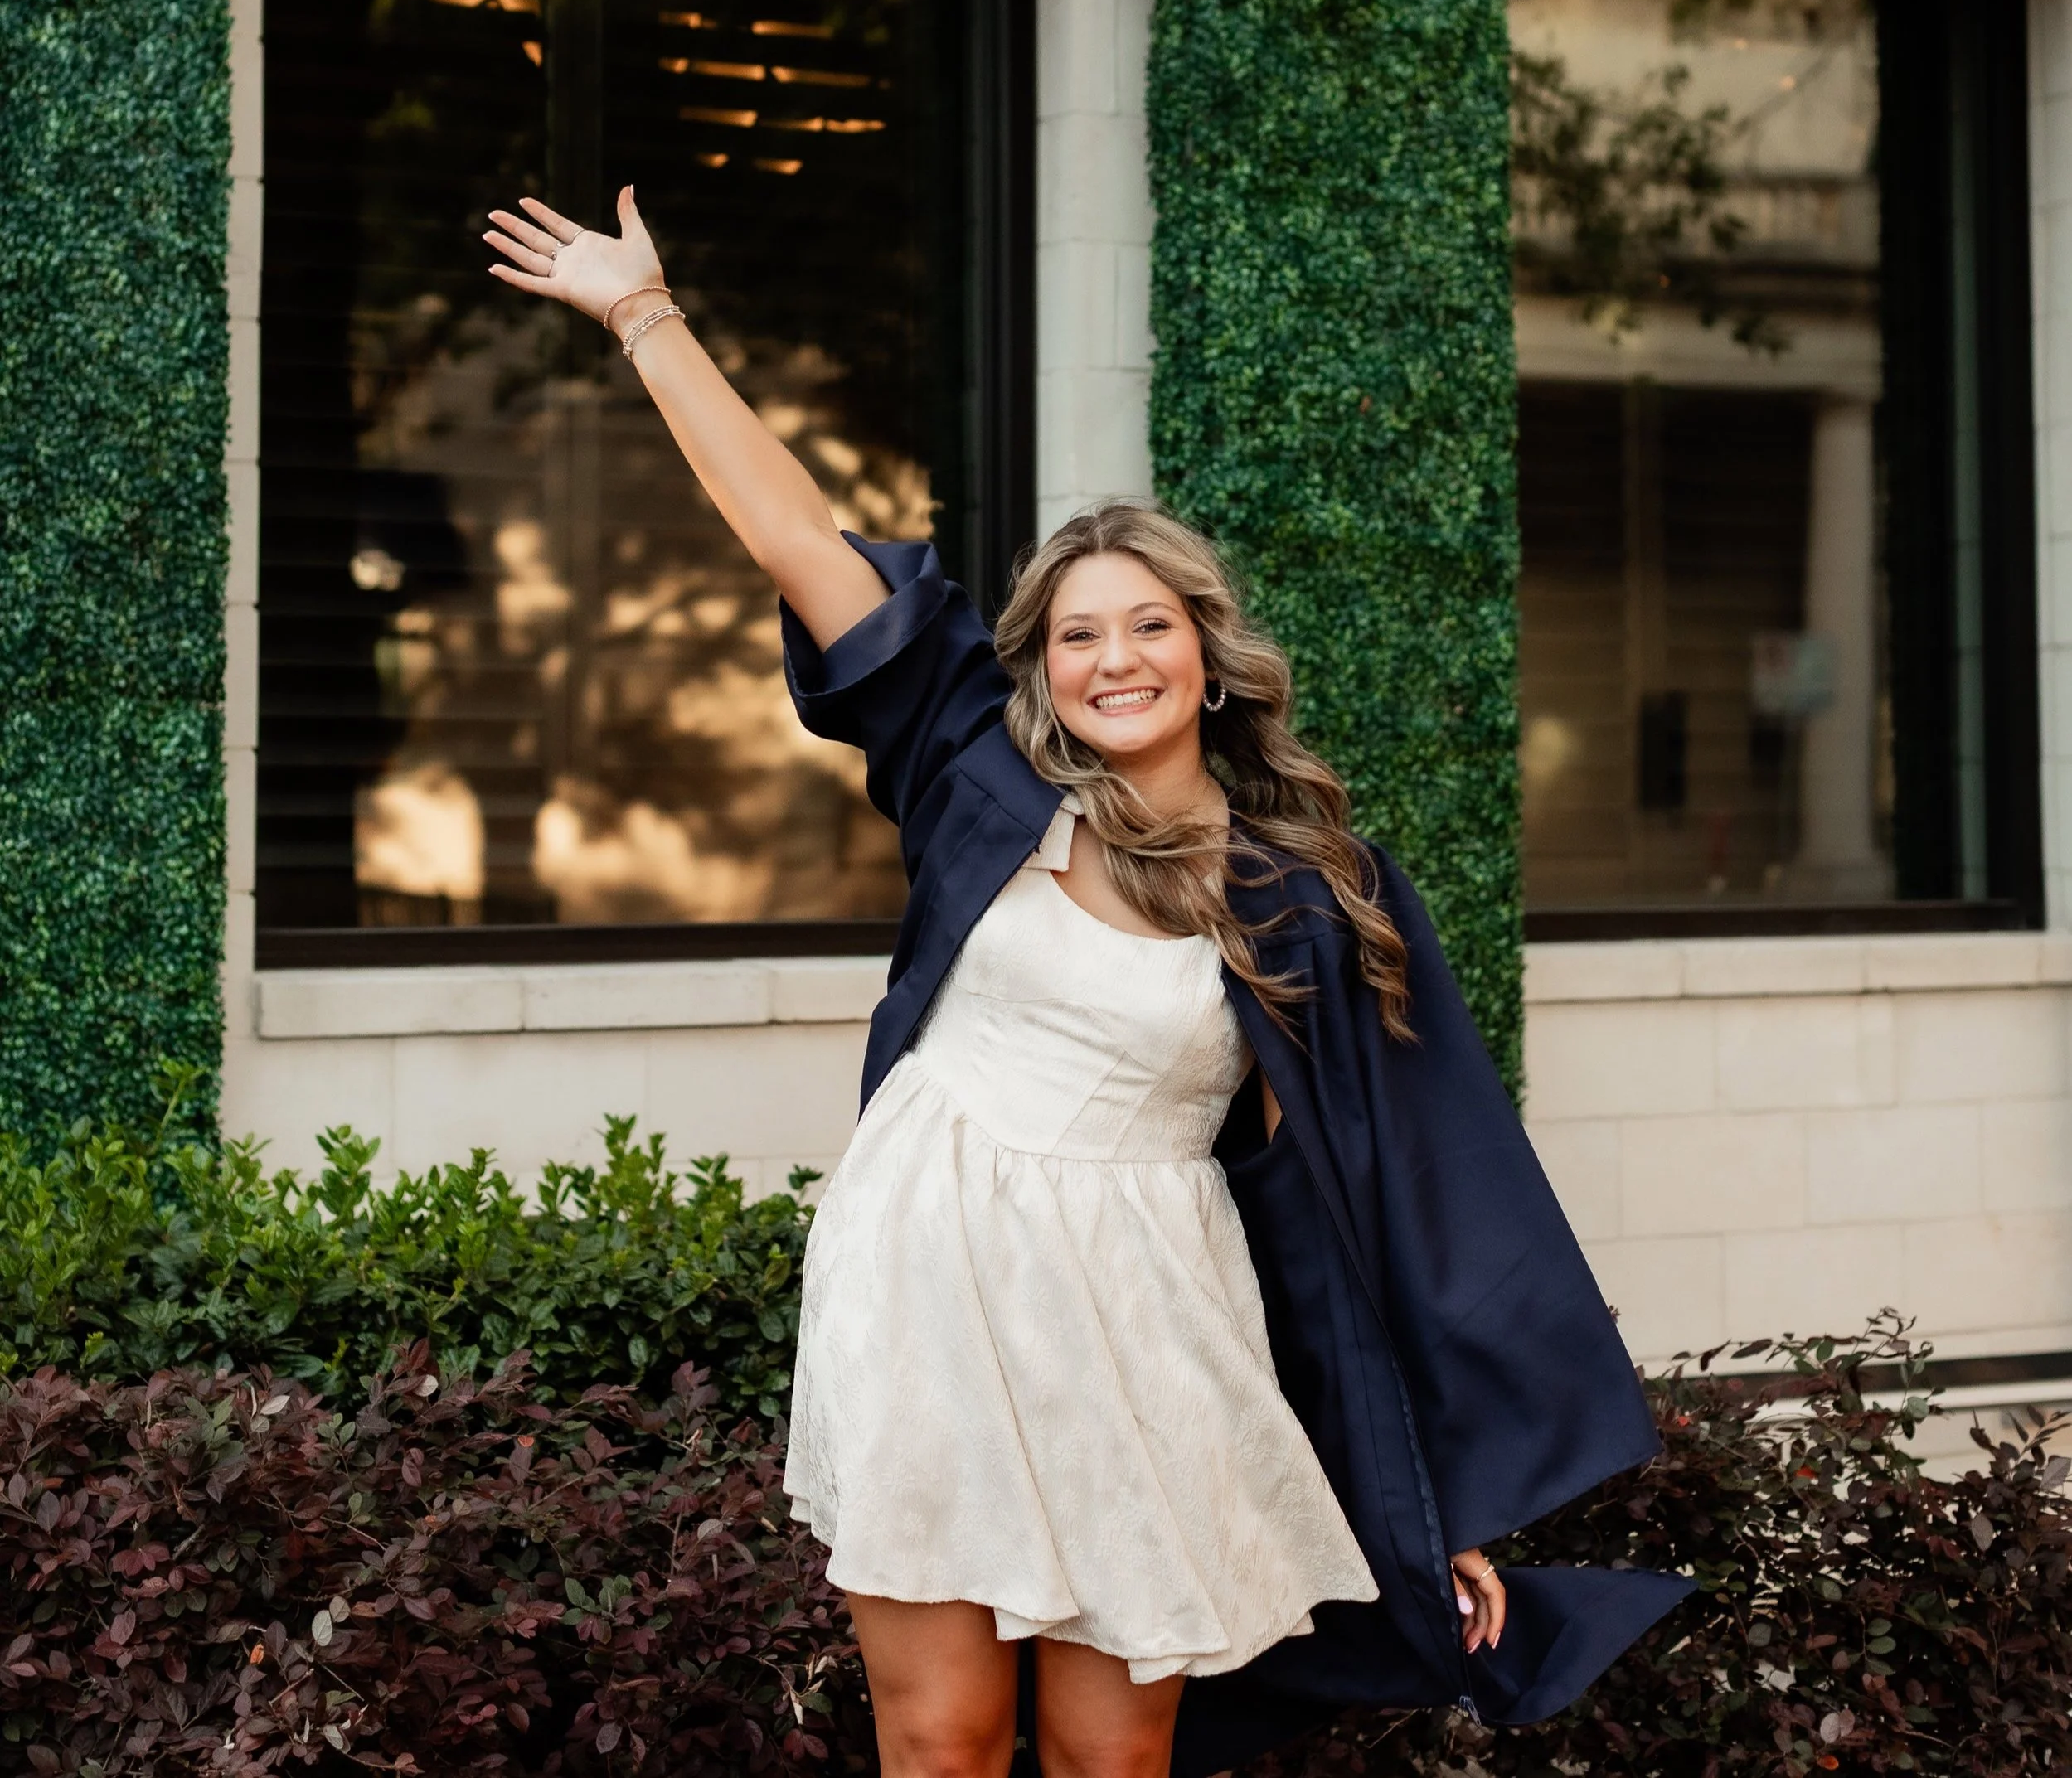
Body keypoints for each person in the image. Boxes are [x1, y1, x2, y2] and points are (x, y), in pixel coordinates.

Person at [486, 186, 1688, 1778]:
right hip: (928, 1288)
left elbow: (1394, 1198)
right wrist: (645, 316)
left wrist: (1429, 1501)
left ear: (1207, 653)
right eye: (1074, 637)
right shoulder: (974, 774)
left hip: (1149, 1314)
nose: (1113, 659)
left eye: (1146, 626)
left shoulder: (1306, 894)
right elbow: (794, 539)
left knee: (1113, 1758)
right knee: (940, 1741)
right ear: (1039, 668)